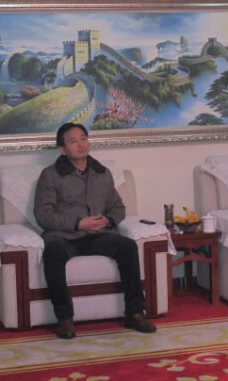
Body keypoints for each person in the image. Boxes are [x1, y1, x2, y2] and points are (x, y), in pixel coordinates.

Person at [34, 123, 156, 339]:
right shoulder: (50, 175)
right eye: (73, 141)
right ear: (62, 149)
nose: (81, 144)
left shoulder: (102, 173)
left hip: (97, 236)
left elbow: (118, 207)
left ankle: (135, 313)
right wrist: (79, 223)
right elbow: (43, 215)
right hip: (64, 237)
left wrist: (108, 221)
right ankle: (65, 318)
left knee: (127, 246)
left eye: (83, 138)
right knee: (53, 251)